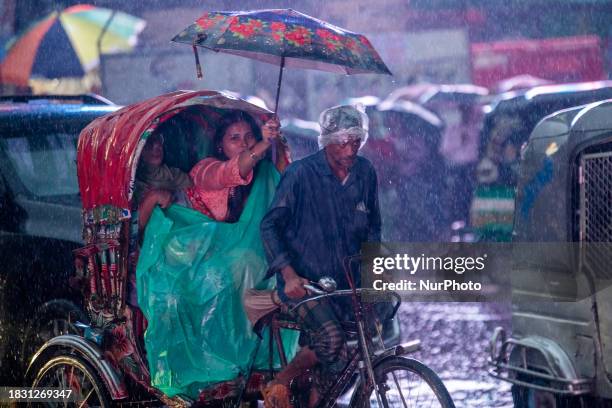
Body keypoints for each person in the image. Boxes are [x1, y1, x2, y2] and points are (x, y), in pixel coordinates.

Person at [135, 110, 300, 399]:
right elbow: (231, 172)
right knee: (226, 273)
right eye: (235, 138)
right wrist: (261, 144)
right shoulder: (205, 169)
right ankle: (216, 360)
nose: (244, 143)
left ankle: (249, 353)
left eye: (249, 136)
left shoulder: (258, 179)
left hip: (220, 254)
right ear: (220, 146)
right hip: (185, 252)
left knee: (255, 266)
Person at [260, 104, 381, 408]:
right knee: (331, 340)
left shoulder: (365, 172)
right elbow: (270, 226)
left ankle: (315, 402)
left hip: (345, 282)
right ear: (326, 140)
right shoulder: (301, 174)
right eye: (343, 141)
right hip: (303, 281)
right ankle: (279, 382)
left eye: (357, 140)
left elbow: (373, 231)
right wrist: (288, 275)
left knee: (358, 349)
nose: (351, 148)